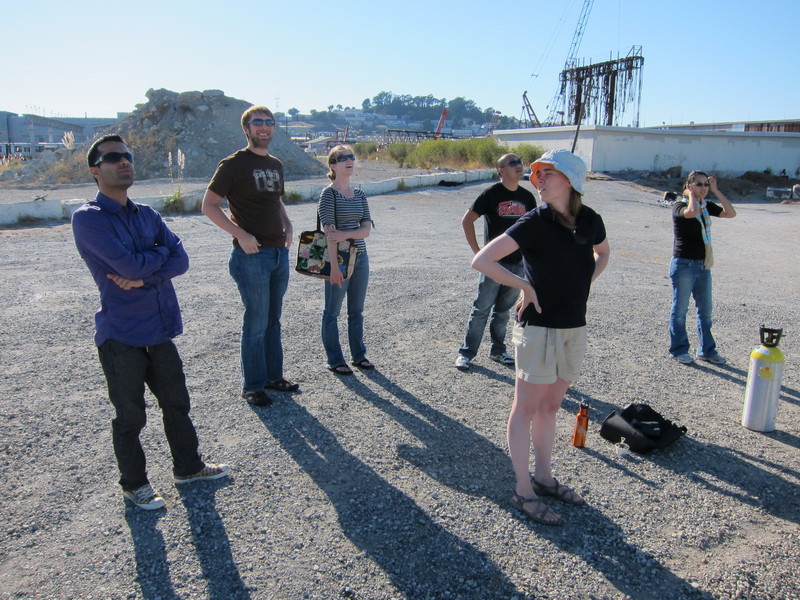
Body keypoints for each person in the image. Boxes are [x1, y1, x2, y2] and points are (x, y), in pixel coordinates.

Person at [72, 134, 230, 511]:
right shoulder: (87, 220)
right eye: (113, 157)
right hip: (121, 335)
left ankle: (188, 468)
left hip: (159, 330)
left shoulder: (147, 214)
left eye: (127, 156)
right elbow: (129, 265)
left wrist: (146, 273)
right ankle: (135, 485)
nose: (124, 162)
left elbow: (182, 260)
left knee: (177, 404)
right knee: (130, 416)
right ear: (96, 170)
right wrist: (157, 257)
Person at [472, 149, 610, 525]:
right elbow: (482, 260)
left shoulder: (590, 220)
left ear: (571, 181)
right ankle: (523, 488)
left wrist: (584, 285)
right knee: (526, 410)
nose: (539, 179)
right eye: (537, 174)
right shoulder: (534, 221)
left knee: (551, 408)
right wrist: (524, 286)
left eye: (549, 173)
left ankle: (544, 477)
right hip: (537, 329)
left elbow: (603, 252)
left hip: (573, 327)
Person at [202, 106, 298, 406]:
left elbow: (275, 200)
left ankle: (273, 376)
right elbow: (209, 205)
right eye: (258, 123)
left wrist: (287, 222)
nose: (265, 128)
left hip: (278, 254)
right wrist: (240, 234)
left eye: (270, 123)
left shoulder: (275, 164)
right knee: (255, 322)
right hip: (251, 256)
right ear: (246, 129)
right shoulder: (233, 164)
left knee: (273, 321)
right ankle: (253, 386)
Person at [455, 152, 536, 371]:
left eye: (520, 162)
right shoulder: (491, 194)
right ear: (501, 170)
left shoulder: (528, 197)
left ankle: (498, 351)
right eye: (513, 163)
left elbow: (533, 231)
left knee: (503, 311)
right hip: (494, 264)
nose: (519, 165)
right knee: (481, 309)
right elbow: (467, 220)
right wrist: (477, 253)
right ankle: (466, 353)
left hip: (518, 265)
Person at [669, 170, 736, 364]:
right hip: (683, 264)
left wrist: (716, 190)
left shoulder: (706, 207)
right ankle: (678, 349)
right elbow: (691, 212)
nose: (703, 188)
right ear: (688, 186)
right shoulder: (679, 206)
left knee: (705, 312)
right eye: (698, 184)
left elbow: (730, 213)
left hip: (703, 265)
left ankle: (707, 350)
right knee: (680, 310)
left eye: (706, 184)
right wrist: (690, 196)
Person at [318, 145, 374, 375]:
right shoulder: (328, 194)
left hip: (361, 257)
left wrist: (345, 234)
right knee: (332, 312)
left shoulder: (360, 194)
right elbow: (329, 234)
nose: (349, 160)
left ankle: (358, 356)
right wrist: (333, 267)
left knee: (356, 310)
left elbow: (367, 229)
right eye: (343, 158)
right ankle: (335, 359)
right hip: (338, 259)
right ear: (332, 165)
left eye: (351, 157)